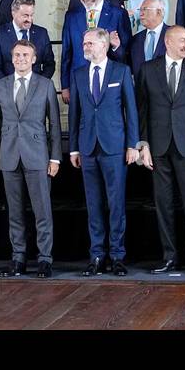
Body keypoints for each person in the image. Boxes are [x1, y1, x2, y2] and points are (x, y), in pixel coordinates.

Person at [136, 26, 185, 275]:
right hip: (157, 148)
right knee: (163, 205)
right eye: (182, 40)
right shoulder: (148, 70)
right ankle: (170, 257)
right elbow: (141, 111)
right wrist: (143, 145)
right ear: (167, 42)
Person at [68, 28, 140, 276]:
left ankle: (118, 255)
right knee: (93, 204)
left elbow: (131, 111)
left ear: (104, 45)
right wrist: (74, 148)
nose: (85, 46)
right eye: (84, 42)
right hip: (87, 148)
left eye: (89, 43)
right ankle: (97, 255)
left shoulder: (121, 71)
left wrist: (133, 145)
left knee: (116, 203)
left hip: (115, 147)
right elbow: (74, 114)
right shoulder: (77, 74)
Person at [0, 41, 62, 278]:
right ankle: (18, 257)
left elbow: (54, 123)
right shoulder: (0, 85)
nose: (21, 58)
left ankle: (44, 259)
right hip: (10, 156)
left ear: (34, 59)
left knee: (42, 211)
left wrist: (55, 158)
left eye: (25, 55)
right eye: (17, 55)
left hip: (38, 156)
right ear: (11, 59)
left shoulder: (45, 85)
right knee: (15, 211)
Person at [60, 0, 130, 101]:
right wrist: (65, 86)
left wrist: (115, 46)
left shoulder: (118, 14)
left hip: (109, 81)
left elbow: (126, 51)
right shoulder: (71, 16)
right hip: (78, 80)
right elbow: (66, 53)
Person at [0, 0, 56, 81]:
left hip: (36, 91)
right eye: (25, 16)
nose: (29, 20)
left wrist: (39, 85)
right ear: (13, 13)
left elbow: (49, 64)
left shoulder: (42, 33)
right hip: (6, 90)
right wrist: (9, 86)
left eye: (31, 15)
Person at [127, 0, 168, 76]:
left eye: (145, 9)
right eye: (140, 10)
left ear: (159, 12)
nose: (141, 14)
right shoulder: (135, 39)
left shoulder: (172, 35)